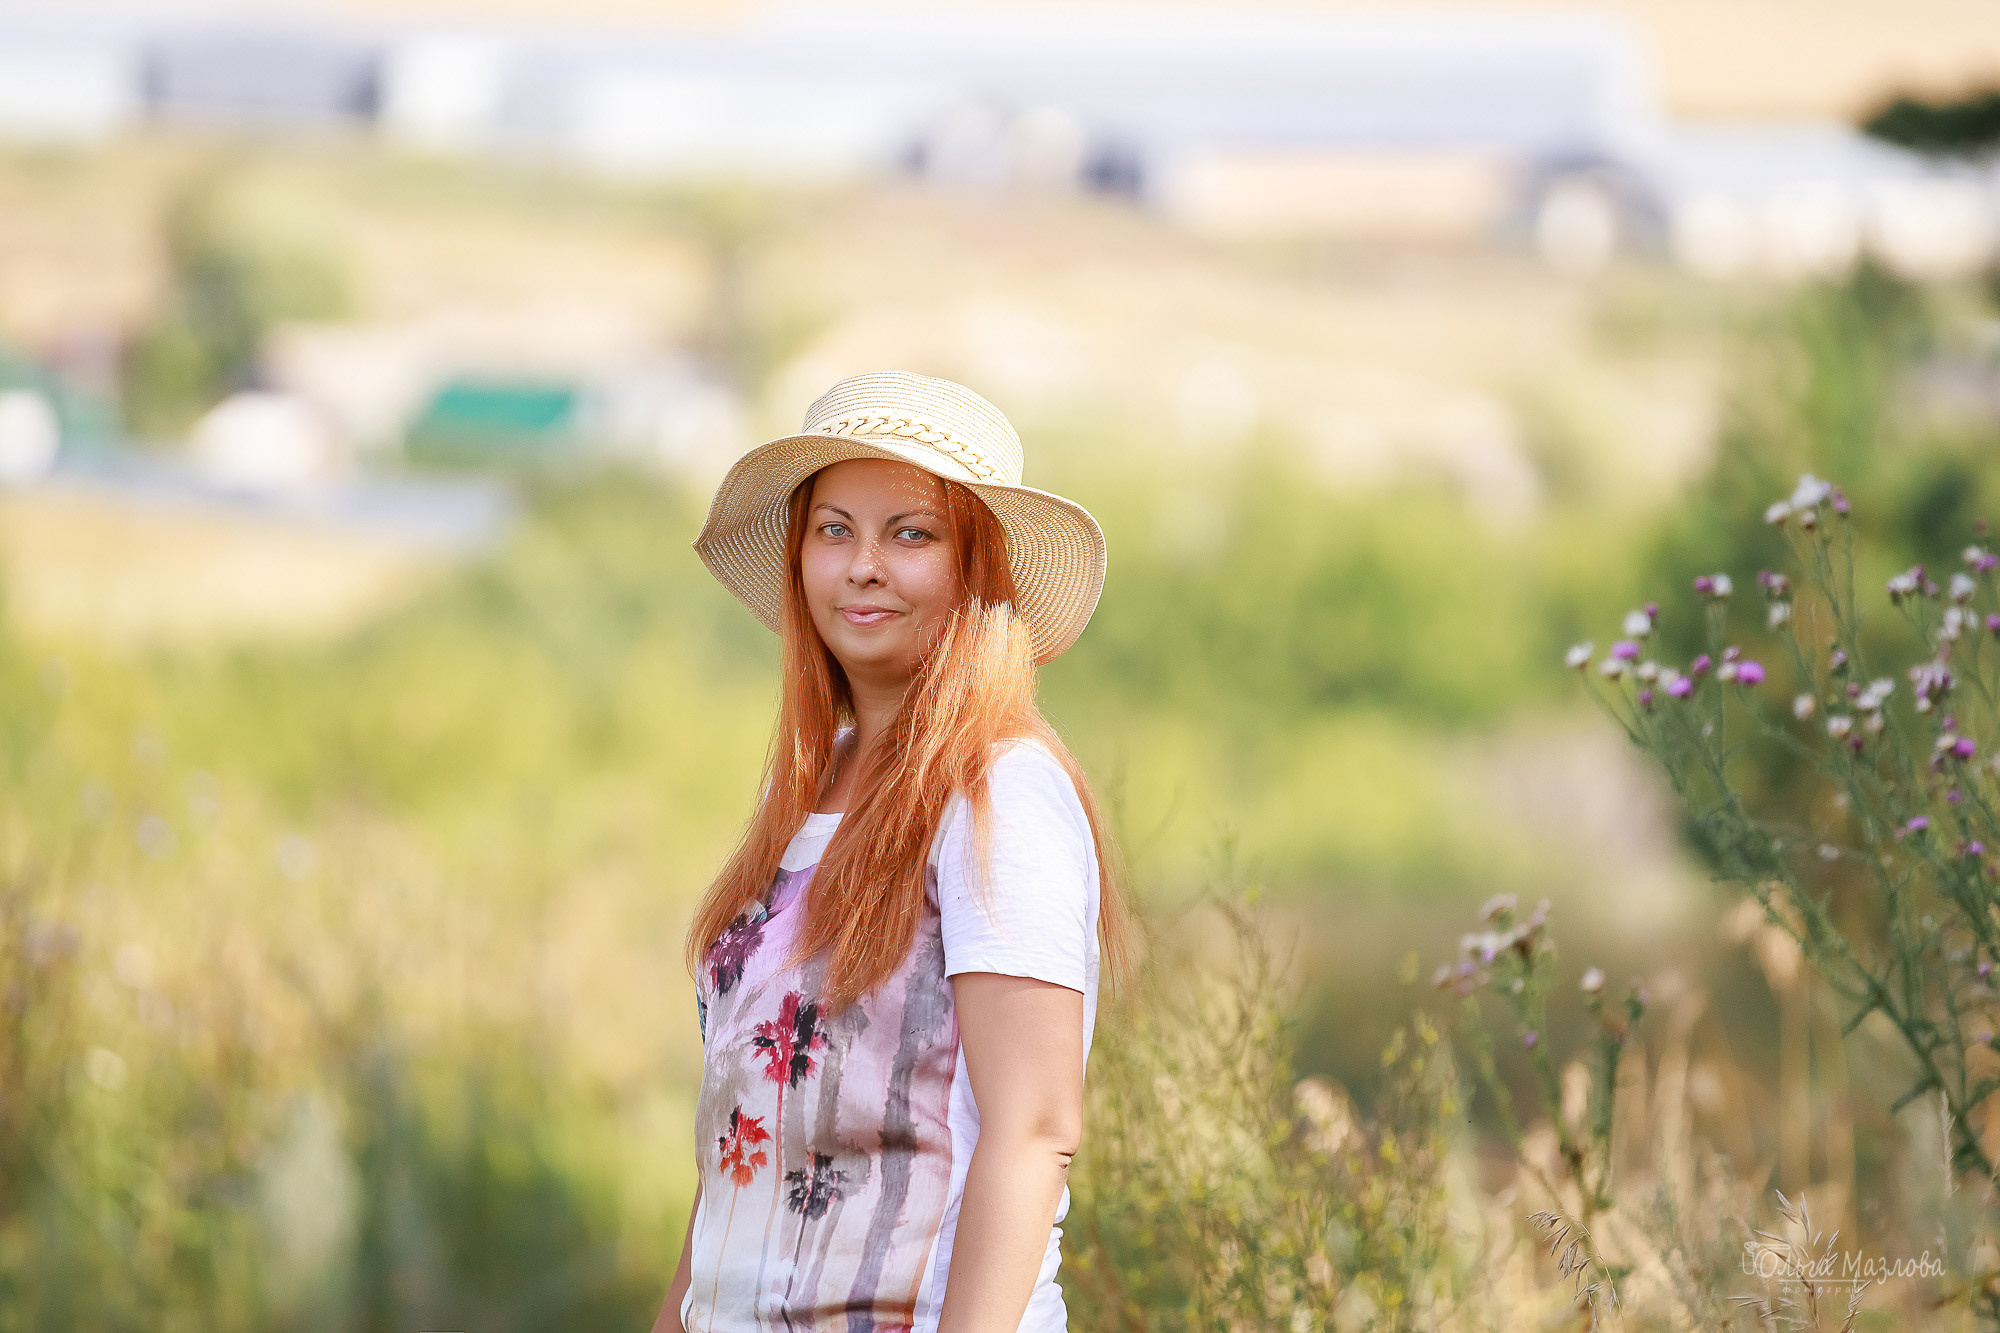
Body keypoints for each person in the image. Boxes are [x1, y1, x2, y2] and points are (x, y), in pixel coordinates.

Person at [652, 371, 1133, 1332]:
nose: (863, 565)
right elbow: (744, 1147)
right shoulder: (801, 794)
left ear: (977, 566)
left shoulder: (999, 790)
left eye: (910, 533)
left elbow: (1032, 1131)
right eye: (835, 530)